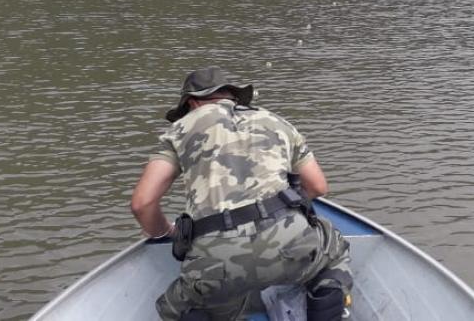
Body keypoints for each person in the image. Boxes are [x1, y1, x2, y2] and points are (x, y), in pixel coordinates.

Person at [130, 66, 353, 321]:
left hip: (218, 263)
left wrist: (165, 232)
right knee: (333, 250)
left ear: (191, 103)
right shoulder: (276, 121)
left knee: (175, 308)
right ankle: (327, 308)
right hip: (291, 246)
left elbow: (143, 203)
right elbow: (317, 187)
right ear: (233, 96)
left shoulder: (180, 130)